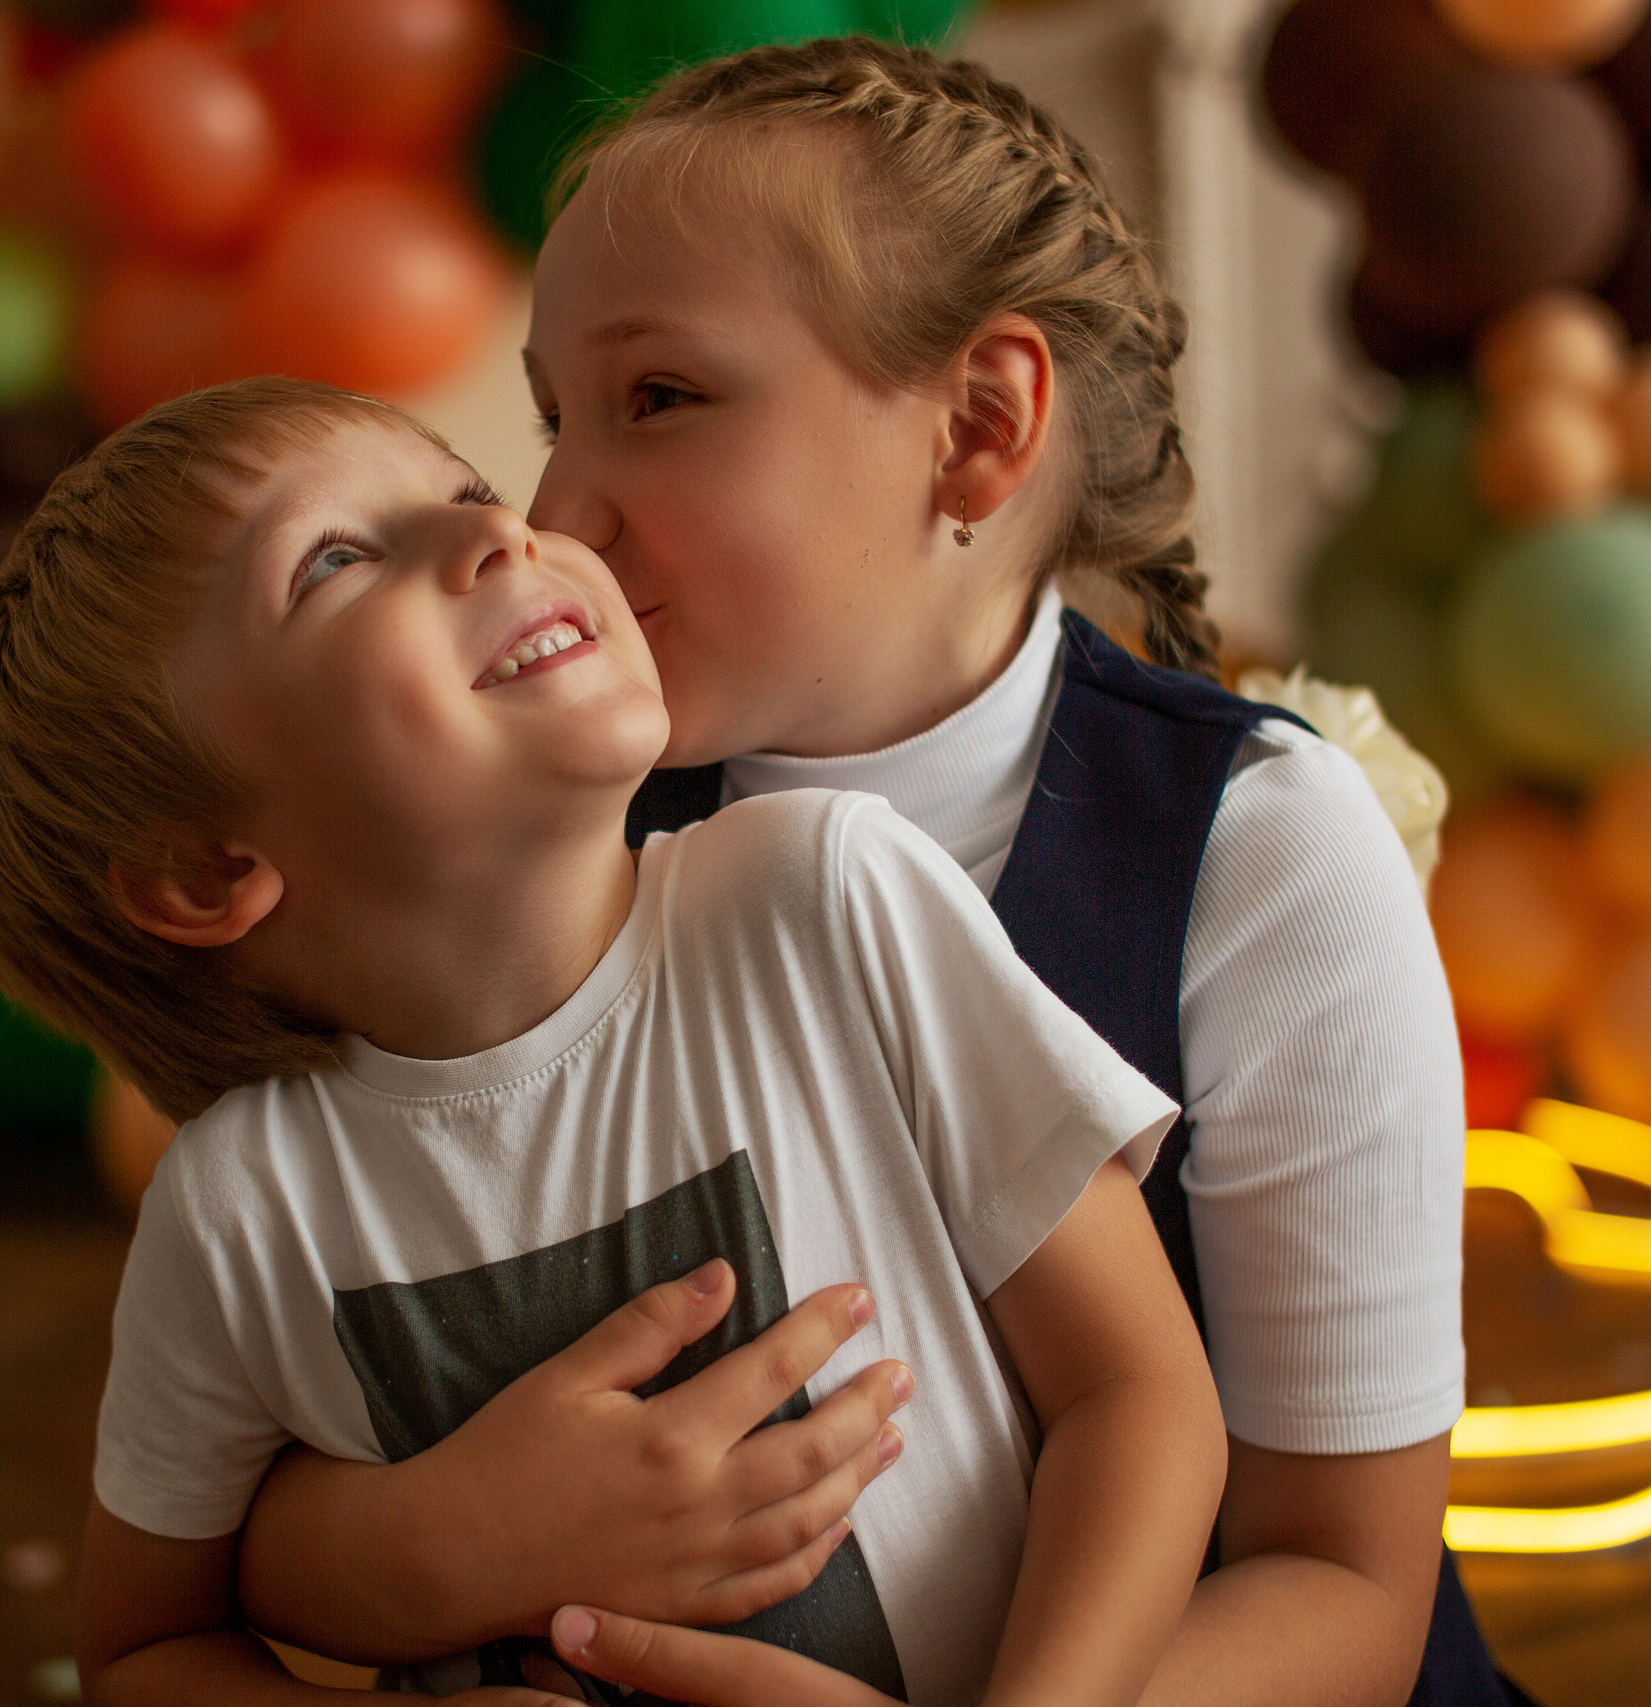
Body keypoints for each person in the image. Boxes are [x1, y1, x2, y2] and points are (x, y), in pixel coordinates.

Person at [234, 38, 1503, 1707]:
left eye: (660, 399)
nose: (558, 514)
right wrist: (457, 1537)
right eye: (555, 418)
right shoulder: (558, 824)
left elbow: (1345, 1580)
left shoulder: (1258, 860)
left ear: (977, 429)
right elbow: (241, 1511)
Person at [0, 377, 1229, 1706]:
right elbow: (144, 1653)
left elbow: (1139, 1399)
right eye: (335, 560)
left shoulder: (826, 898)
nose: (501, 536)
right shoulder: (234, 1213)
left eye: (466, 493)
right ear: (207, 868)